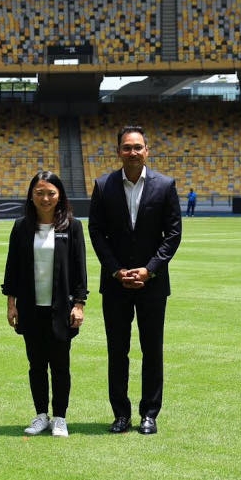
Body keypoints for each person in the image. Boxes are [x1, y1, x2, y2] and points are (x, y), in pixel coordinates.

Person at [88, 126, 182, 436]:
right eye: (127, 147)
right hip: (115, 284)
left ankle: (149, 414)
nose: (133, 152)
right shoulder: (103, 186)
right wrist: (116, 270)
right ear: (118, 151)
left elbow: (173, 234)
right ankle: (120, 414)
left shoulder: (165, 186)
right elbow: (96, 233)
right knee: (118, 351)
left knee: (152, 349)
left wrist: (149, 268)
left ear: (147, 151)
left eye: (138, 147)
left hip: (152, 284)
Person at [2, 171, 88, 438]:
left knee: (60, 365)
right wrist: (11, 303)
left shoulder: (71, 226)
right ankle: (41, 415)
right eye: (39, 193)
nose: (45, 198)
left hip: (61, 308)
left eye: (50, 192)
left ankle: (60, 417)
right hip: (30, 308)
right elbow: (12, 268)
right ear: (31, 195)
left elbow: (79, 268)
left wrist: (80, 304)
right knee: (36, 365)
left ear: (59, 194)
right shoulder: (21, 226)